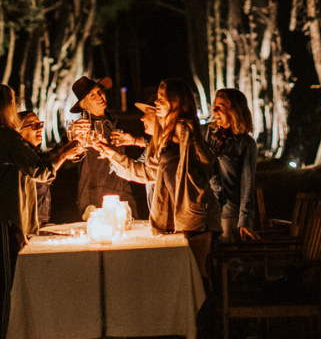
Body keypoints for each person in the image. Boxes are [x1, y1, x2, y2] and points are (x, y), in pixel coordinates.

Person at [0, 83, 81, 339]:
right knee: (4, 291)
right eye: (13, 101)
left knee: (3, 289)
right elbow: (40, 170)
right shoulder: (6, 137)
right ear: (7, 106)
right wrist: (65, 152)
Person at [90, 78, 217, 271]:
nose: (157, 102)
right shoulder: (164, 139)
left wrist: (189, 136)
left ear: (176, 102)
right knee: (183, 276)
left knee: (198, 276)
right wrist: (112, 154)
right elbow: (148, 173)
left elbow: (207, 164)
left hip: (194, 220)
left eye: (161, 98)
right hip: (173, 220)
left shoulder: (186, 130)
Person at [67, 76, 138, 218]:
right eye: (92, 95)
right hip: (98, 200)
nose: (99, 96)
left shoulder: (112, 124)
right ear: (82, 104)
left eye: (100, 91)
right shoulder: (84, 129)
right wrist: (87, 206)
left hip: (123, 196)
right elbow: (75, 153)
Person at [205, 88, 259, 242]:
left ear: (235, 109)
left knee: (227, 260)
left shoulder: (245, 144)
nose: (215, 110)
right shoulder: (208, 135)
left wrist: (245, 220)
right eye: (215, 105)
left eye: (220, 106)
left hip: (228, 215)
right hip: (205, 211)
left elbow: (247, 184)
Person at [17, 111, 52, 233]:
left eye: (40, 124)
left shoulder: (37, 155)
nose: (39, 128)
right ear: (19, 130)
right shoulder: (22, 159)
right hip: (27, 227)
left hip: (41, 223)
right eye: (33, 125)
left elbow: (51, 159)